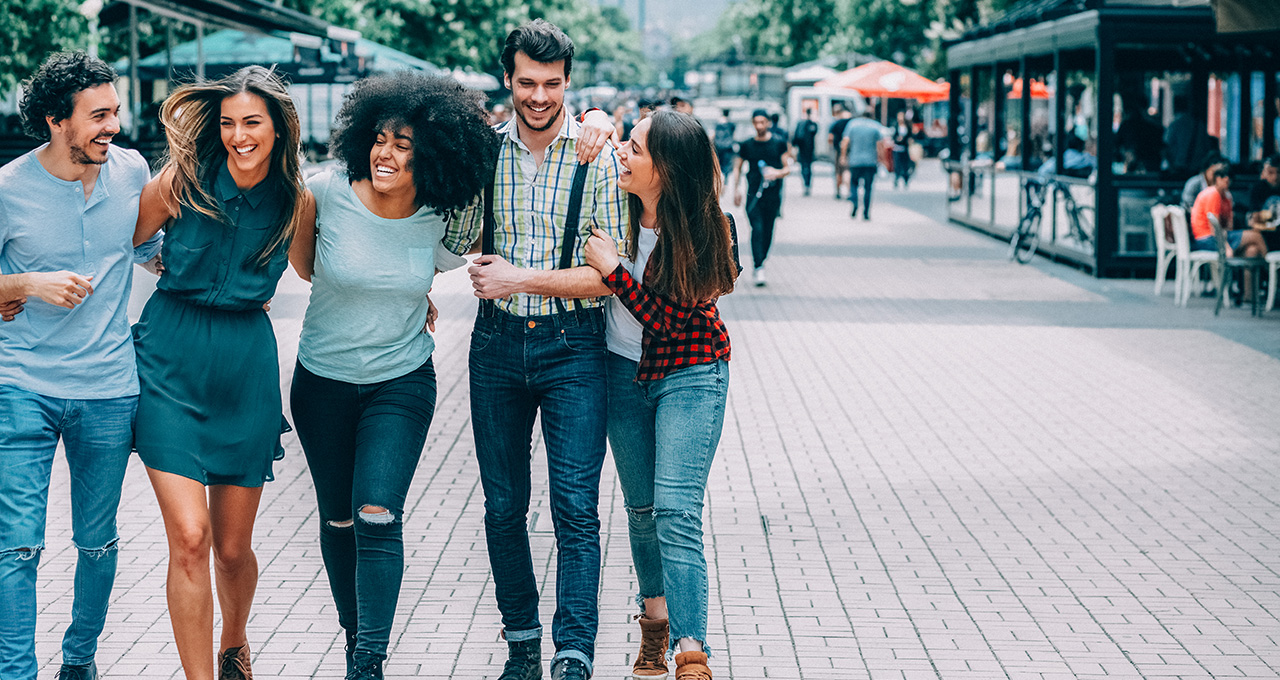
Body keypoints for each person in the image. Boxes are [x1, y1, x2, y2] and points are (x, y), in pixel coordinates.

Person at [286, 72, 499, 680]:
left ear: (428, 154)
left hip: (400, 383)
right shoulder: (322, 193)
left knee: (377, 511)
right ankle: (359, 638)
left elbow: (442, 264)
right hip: (321, 382)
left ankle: (368, 663)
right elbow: (304, 269)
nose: (386, 152)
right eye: (379, 138)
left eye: (404, 144)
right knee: (339, 518)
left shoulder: (439, 217)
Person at [443, 19, 628, 680]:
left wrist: (518, 278)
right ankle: (522, 643)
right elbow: (457, 237)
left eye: (552, 83)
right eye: (528, 82)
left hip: (573, 346)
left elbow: (612, 274)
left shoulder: (598, 156)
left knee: (576, 508)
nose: (540, 95)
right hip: (495, 349)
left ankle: (572, 652)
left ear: (568, 83)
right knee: (502, 507)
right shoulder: (484, 152)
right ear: (509, 80)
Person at [130, 65, 309, 680]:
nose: (237, 135)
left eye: (251, 122)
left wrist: (413, 292)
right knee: (191, 537)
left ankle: (235, 643)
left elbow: (318, 271)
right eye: (228, 123)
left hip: (243, 370)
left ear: (279, 129)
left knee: (232, 551)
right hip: (168, 361)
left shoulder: (297, 201)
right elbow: (119, 241)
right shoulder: (181, 178)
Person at [0, 51, 161, 680]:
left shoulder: (131, 171)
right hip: (23, 387)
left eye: (115, 111)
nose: (112, 126)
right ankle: (17, 671)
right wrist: (28, 284)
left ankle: (80, 659)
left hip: (108, 387)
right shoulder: (10, 187)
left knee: (97, 542)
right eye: (97, 116)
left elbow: (150, 250)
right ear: (54, 121)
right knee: (17, 545)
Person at [582, 109, 739, 680]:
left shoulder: (711, 227)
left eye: (637, 148)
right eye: (626, 143)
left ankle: (692, 648)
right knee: (642, 511)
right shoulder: (613, 208)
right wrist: (598, 119)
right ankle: (655, 629)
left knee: (676, 509)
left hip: (692, 374)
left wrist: (614, 271)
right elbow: (585, 126)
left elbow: (668, 322)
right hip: (622, 374)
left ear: (668, 169)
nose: (623, 153)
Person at [733, 109, 792, 286]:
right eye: (756, 122)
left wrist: (777, 173)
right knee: (757, 229)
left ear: (768, 123)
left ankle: (761, 261)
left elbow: (787, 168)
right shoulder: (746, 145)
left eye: (762, 122)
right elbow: (737, 167)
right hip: (753, 196)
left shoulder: (779, 143)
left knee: (768, 231)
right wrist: (736, 189)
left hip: (772, 196)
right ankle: (758, 267)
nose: (759, 126)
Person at [1190, 165, 1267, 259]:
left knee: (1252, 251)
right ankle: (1271, 268)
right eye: (1223, 177)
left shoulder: (1226, 197)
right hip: (1207, 239)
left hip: (1220, 236)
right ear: (1217, 179)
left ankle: (1260, 272)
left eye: (1229, 177)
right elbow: (1214, 228)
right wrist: (1226, 247)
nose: (1227, 180)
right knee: (1256, 235)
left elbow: (1229, 227)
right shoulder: (1213, 194)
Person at [841, 110, 888, 220]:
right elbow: (880, 145)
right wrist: (882, 159)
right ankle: (866, 212)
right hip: (870, 162)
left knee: (853, 184)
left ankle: (855, 202)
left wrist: (843, 156)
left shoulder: (852, 124)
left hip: (855, 160)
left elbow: (845, 142)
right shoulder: (875, 126)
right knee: (868, 187)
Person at [791, 107, 819, 196]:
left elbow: (795, 137)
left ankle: (806, 184)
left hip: (802, 148)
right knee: (808, 167)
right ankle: (807, 184)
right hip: (808, 148)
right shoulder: (811, 124)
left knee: (804, 166)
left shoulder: (801, 123)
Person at [828, 105, 853, 199]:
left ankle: (838, 191)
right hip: (850, 150)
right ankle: (849, 191)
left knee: (838, 171)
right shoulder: (851, 123)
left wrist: (831, 147)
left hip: (838, 149)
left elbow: (830, 137)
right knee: (847, 170)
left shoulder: (835, 123)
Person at [712, 109, 736, 188]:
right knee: (726, 165)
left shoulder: (717, 122)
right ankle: (725, 183)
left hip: (718, 146)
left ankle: (718, 181)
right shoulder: (731, 123)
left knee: (718, 164)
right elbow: (733, 133)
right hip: (727, 147)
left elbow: (714, 134)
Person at [891, 111, 915, 188]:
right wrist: (897, 139)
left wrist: (906, 139)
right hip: (897, 148)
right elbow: (893, 135)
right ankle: (897, 179)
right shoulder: (895, 125)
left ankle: (905, 179)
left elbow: (910, 136)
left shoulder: (907, 126)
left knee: (905, 165)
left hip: (904, 148)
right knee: (897, 165)